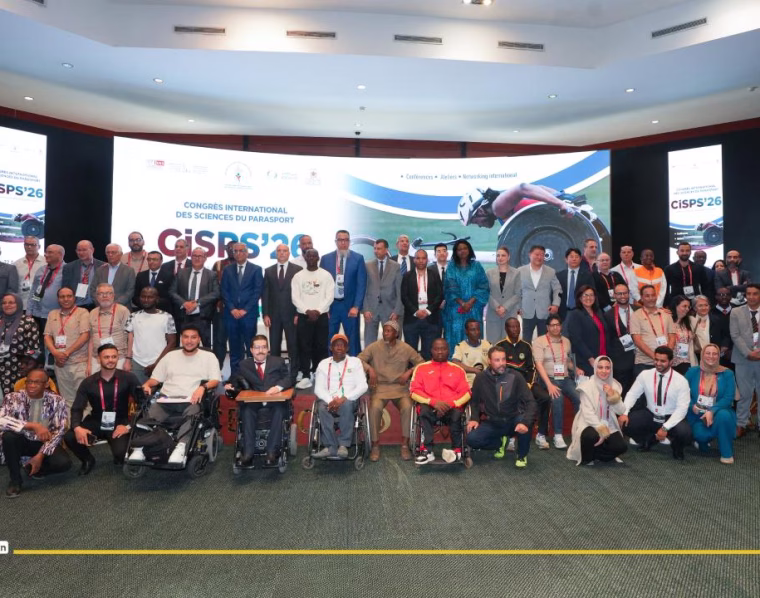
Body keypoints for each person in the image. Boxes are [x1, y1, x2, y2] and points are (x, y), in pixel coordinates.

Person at [138, 324, 221, 465]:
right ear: (181, 339)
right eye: (186, 337)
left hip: (191, 400)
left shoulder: (209, 356)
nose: (189, 341)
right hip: (166, 400)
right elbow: (155, 379)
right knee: (149, 417)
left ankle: (181, 446)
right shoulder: (170, 356)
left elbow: (215, 380)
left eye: (193, 337)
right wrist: (147, 384)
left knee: (193, 415)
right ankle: (141, 447)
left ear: (199, 339)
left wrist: (203, 387)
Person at [64, 344, 142, 473]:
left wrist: (128, 427)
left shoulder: (129, 378)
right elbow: (77, 408)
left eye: (114, 357)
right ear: (98, 359)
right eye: (106, 357)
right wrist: (77, 427)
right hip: (96, 420)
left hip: (120, 422)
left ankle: (120, 453)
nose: (111, 360)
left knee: (121, 455)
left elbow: (142, 404)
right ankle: (87, 459)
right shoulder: (88, 382)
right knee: (70, 436)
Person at [0, 368, 71, 498]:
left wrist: (40, 456)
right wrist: (33, 426)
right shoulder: (13, 397)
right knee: (9, 437)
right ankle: (15, 481)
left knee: (64, 463)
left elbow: (59, 430)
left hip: (43, 443)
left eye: (37, 382)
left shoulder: (57, 401)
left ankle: (33, 468)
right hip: (21, 440)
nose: (32, 385)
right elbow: (2, 420)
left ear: (46, 384)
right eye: (29, 381)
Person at [358, 320, 423, 461]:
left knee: (408, 407)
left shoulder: (405, 348)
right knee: (374, 408)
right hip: (380, 387)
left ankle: (405, 445)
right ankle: (375, 445)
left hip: (400, 388)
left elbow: (421, 363)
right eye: (384, 331)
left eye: (389, 331)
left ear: (396, 334)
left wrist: (409, 372)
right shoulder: (375, 346)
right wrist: (370, 369)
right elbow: (359, 360)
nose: (385, 333)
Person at [227, 334, 292, 466]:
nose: (260, 350)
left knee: (279, 411)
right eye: (257, 347)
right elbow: (234, 380)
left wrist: (277, 388)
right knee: (246, 411)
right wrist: (230, 386)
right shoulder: (244, 365)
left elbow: (288, 379)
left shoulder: (278, 362)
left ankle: (272, 452)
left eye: (264, 347)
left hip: (275, 400)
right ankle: (248, 453)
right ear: (251, 350)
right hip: (254, 401)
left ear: (268, 349)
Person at [468, 344, 536, 468]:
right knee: (472, 439)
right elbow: (475, 402)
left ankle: (522, 454)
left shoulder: (516, 376)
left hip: (513, 420)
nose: (502, 363)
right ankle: (499, 443)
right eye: (497, 360)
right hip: (493, 422)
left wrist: (525, 422)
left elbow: (531, 402)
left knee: (525, 421)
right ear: (489, 361)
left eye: (503, 359)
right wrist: (474, 419)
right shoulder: (481, 378)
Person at [620, 347, 692, 460]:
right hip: (651, 414)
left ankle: (676, 447)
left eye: (662, 361)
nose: (658, 363)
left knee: (686, 434)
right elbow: (632, 394)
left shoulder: (681, 381)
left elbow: (682, 408)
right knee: (626, 424)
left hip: (670, 416)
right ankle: (649, 439)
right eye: (656, 359)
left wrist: (665, 428)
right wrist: (625, 412)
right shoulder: (645, 375)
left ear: (671, 362)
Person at [410, 338, 471, 464]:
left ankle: (456, 450)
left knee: (457, 414)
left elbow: (466, 393)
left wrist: (450, 404)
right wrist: (433, 402)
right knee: (424, 411)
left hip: (451, 406)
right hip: (430, 405)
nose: (440, 352)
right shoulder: (421, 368)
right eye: (436, 349)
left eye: (443, 349)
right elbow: (414, 391)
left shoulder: (458, 369)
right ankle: (427, 451)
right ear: (431, 351)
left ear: (448, 351)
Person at [496, 317, 551, 451]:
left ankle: (541, 434)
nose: (515, 329)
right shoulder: (500, 346)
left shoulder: (526, 346)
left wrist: (528, 384)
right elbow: (497, 370)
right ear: (506, 329)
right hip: (508, 385)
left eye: (517, 326)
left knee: (545, 397)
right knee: (510, 399)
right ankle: (510, 437)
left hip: (526, 384)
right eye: (512, 326)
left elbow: (532, 368)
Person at [312, 334, 368, 458]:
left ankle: (343, 445)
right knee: (321, 408)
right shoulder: (323, 364)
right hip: (328, 400)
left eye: (342, 345)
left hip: (349, 399)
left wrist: (344, 398)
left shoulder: (355, 362)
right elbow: (318, 388)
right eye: (336, 345)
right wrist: (331, 401)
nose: (339, 347)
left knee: (346, 405)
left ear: (347, 348)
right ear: (330, 348)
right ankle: (330, 447)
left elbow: (363, 386)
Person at [566, 356, 627, 465]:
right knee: (591, 436)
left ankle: (596, 454)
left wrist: (612, 395)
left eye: (607, 368)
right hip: (589, 423)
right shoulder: (587, 386)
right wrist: (602, 430)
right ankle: (587, 457)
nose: (604, 371)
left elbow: (621, 410)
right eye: (600, 367)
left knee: (621, 447)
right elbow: (588, 413)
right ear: (595, 368)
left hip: (608, 423)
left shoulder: (614, 385)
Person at [532, 314, 580, 449]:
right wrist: (549, 385)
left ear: (561, 326)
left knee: (579, 397)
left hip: (565, 378)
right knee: (558, 398)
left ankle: (579, 430)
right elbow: (538, 364)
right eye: (552, 325)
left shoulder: (566, 341)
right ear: (547, 327)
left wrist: (577, 369)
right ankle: (558, 435)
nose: (555, 328)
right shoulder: (539, 341)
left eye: (557, 325)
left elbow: (567, 362)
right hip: (548, 378)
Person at [684, 343, 737, 464]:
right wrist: (692, 406)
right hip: (697, 415)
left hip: (720, 411)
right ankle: (702, 441)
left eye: (715, 354)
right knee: (701, 435)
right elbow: (682, 393)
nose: (711, 356)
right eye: (708, 353)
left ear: (719, 356)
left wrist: (712, 411)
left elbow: (728, 397)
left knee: (724, 416)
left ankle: (727, 453)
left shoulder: (727, 373)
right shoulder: (692, 372)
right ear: (702, 355)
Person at [291, 249, 334, 389]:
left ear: (318, 258)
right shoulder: (298, 276)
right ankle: (306, 376)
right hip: (304, 317)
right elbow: (295, 298)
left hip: (321, 316)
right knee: (304, 347)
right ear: (305, 257)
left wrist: (318, 311)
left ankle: (319, 373)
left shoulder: (326, 275)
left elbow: (329, 296)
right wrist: (307, 311)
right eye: (308, 255)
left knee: (321, 347)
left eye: (313, 255)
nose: (311, 258)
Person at [320, 230, 367, 356]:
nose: (343, 243)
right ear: (336, 242)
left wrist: (356, 306)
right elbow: (321, 285)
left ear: (349, 242)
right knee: (329, 338)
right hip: (331, 306)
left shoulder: (358, 258)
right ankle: (329, 365)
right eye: (340, 240)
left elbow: (361, 284)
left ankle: (354, 365)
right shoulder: (325, 259)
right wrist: (324, 308)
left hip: (350, 306)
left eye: (346, 240)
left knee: (353, 339)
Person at [43, 287, 90, 410]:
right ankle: (70, 422)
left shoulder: (83, 312)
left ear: (74, 298)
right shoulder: (52, 314)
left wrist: (67, 353)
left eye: (69, 296)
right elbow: (47, 336)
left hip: (79, 363)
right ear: (58, 299)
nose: (66, 299)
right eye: (62, 297)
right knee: (67, 399)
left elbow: (85, 336)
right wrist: (55, 353)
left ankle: (84, 422)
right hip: (60, 364)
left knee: (84, 400)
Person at [458, 182, 583, 229]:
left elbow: (522, 188)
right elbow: (538, 187)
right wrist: (562, 198)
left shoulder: (497, 208)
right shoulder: (501, 210)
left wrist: (561, 204)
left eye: (475, 221)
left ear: (480, 211)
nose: (480, 225)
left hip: (566, 213)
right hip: (567, 209)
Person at [442, 239, 489, 354]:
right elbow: (450, 287)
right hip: (456, 310)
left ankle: (475, 362)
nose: (462, 251)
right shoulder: (451, 267)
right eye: (459, 249)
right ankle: (455, 362)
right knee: (455, 336)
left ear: (469, 250)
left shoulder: (477, 266)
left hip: (474, 309)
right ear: (456, 252)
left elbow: (483, 286)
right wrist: (462, 303)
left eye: (465, 248)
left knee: (474, 336)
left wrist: (470, 302)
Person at [171, 247, 220, 350]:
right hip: (183, 316)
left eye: (200, 256)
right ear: (191, 257)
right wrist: (184, 303)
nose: (197, 258)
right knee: (183, 346)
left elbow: (216, 293)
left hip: (203, 316)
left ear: (205, 258)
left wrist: (197, 303)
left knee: (205, 347)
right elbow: (172, 292)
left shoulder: (211, 275)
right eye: (194, 256)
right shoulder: (181, 273)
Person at [125, 287, 177, 383]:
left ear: (157, 299)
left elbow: (172, 342)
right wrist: (128, 359)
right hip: (137, 363)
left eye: (150, 297)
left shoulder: (167, 317)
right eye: (143, 296)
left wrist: (157, 363)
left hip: (159, 363)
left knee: (159, 392)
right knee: (137, 391)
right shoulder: (133, 316)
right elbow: (129, 339)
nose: (146, 300)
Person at [729, 283, 760, 438]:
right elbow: (735, 335)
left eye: (755, 294)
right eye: (749, 294)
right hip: (742, 358)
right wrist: (748, 353)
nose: (751, 297)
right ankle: (741, 423)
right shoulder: (736, 312)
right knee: (744, 394)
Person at [262, 243, 301, 365]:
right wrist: (265, 314)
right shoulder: (269, 271)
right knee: (274, 346)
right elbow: (265, 294)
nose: (282, 253)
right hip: (274, 316)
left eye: (284, 250)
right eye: (279, 250)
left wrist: (298, 313)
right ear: (276, 253)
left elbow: (300, 293)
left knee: (293, 345)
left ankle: (294, 371)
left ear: (289, 253)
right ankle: (275, 370)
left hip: (292, 315)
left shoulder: (298, 270)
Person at [401, 249, 443, 360]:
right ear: (414, 260)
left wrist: (428, 311)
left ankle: (428, 371)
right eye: (418, 258)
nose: (421, 261)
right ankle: (413, 371)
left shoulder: (434, 274)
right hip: (412, 319)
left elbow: (439, 295)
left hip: (431, 319)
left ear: (427, 260)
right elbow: (404, 296)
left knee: (429, 353)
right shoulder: (407, 276)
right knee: (411, 353)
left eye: (423, 258)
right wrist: (416, 311)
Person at [516, 244, 561, 341]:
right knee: (526, 341)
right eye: (537, 254)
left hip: (545, 312)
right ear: (530, 254)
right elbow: (516, 291)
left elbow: (558, 289)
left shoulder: (551, 271)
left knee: (544, 341)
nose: (539, 257)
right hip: (526, 311)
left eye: (542, 255)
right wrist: (518, 307)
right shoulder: (520, 271)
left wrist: (555, 304)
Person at [629, 284, 676, 375]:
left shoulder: (666, 314)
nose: (651, 298)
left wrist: (666, 357)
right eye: (647, 296)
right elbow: (638, 341)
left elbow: (672, 336)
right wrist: (657, 359)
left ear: (656, 296)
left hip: (665, 364)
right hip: (644, 363)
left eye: (653, 295)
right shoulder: (636, 315)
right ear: (642, 298)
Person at [363, 239, 402, 347]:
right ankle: (369, 359)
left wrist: (397, 310)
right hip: (371, 310)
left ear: (386, 250)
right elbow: (363, 289)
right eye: (375, 248)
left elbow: (399, 291)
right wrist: (365, 309)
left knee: (391, 343)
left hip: (390, 310)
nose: (376, 251)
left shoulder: (396, 266)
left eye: (379, 248)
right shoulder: (367, 265)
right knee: (369, 343)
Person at [565, 285, 611, 377]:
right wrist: (590, 357)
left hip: (602, 356)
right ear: (580, 298)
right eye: (585, 295)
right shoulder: (575, 314)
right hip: (586, 359)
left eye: (591, 295)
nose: (588, 298)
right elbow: (576, 339)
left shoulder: (598, 312)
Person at [0, 293, 39, 396]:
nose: (7, 305)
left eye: (11, 302)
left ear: (18, 304)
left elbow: (34, 349)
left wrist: (26, 365)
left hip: (18, 369)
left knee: (16, 399)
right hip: (1, 366)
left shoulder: (28, 322)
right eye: (4, 303)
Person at [86, 284, 130, 375]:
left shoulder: (123, 311)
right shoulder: (92, 313)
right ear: (97, 297)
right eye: (101, 293)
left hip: (118, 359)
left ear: (113, 295)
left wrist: (128, 360)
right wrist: (89, 363)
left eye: (108, 293)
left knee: (117, 383)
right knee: (96, 384)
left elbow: (130, 336)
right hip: (96, 359)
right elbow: (91, 340)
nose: (105, 296)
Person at [27, 244, 65, 347]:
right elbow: (34, 291)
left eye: (50, 252)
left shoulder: (67, 270)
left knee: (56, 343)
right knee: (40, 343)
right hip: (38, 314)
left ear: (60, 254)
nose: (46, 254)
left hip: (57, 315)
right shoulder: (41, 270)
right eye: (46, 252)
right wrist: (29, 310)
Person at [604, 283, 639, 394]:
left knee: (638, 390)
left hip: (639, 357)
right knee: (622, 390)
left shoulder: (639, 310)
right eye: (619, 294)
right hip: (620, 360)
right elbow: (608, 338)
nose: (622, 296)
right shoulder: (608, 315)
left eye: (625, 293)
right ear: (614, 295)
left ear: (629, 294)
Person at [485, 246, 521, 343]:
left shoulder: (516, 273)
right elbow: (486, 292)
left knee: (509, 344)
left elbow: (518, 294)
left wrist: (505, 307)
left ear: (508, 257)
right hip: (493, 313)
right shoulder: (489, 273)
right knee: (493, 344)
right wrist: (497, 307)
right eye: (498, 255)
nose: (500, 258)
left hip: (510, 313)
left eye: (503, 255)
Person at [211, 240, 236, 368]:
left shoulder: (244, 266)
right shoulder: (218, 264)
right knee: (219, 341)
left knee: (236, 342)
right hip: (220, 310)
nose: (232, 251)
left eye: (234, 249)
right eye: (229, 248)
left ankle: (237, 372)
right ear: (225, 249)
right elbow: (213, 286)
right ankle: (217, 370)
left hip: (238, 311)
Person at [90, 244, 135, 308]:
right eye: (108, 252)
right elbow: (93, 289)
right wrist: (100, 302)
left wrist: (115, 304)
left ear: (121, 254)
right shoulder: (100, 270)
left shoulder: (129, 271)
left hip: (121, 308)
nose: (110, 255)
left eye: (113, 252)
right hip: (101, 307)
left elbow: (130, 291)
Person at [61, 240, 102, 309]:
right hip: (77, 306)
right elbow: (65, 288)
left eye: (84, 250)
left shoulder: (102, 266)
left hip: (97, 305)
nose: (81, 253)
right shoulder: (69, 267)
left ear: (92, 250)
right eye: (79, 250)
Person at [691, 295, 731, 366]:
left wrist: (724, 346)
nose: (704, 308)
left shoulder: (718, 320)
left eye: (706, 305)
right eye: (700, 306)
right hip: (696, 356)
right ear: (694, 308)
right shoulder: (689, 321)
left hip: (714, 356)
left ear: (709, 306)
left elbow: (727, 335)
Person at [556, 247, 593, 321]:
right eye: (571, 257)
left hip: (582, 311)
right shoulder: (559, 276)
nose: (574, 259)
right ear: (566, 259)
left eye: (576, 257)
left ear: (580, 259)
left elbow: (593, 293)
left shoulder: (587, 275)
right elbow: (555, 294)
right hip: (562, 312)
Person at [452, 319, 491, 386]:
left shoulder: (487, 345)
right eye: (473, 330)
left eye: (478, 329)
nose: (476, 332)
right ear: (466, 332)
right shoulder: (460, 346)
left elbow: (494, 361)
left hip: (486, 382)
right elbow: (455, 363)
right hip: (468, 383)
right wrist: (474, 370)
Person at [13, 236, 44, 310]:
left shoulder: (46, 262)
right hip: (22, 304)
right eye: (27, 244)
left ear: (39, 247)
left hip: (41, 304)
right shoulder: (16, 264)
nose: (29, 247)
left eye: (33, 245)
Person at [670, 295, 697, 374]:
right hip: (670, 361)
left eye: (688, 307)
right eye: (684, 306)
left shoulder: (690, 321)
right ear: (676, 306)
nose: (687, 309)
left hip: (685, 360)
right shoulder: (667, 320)